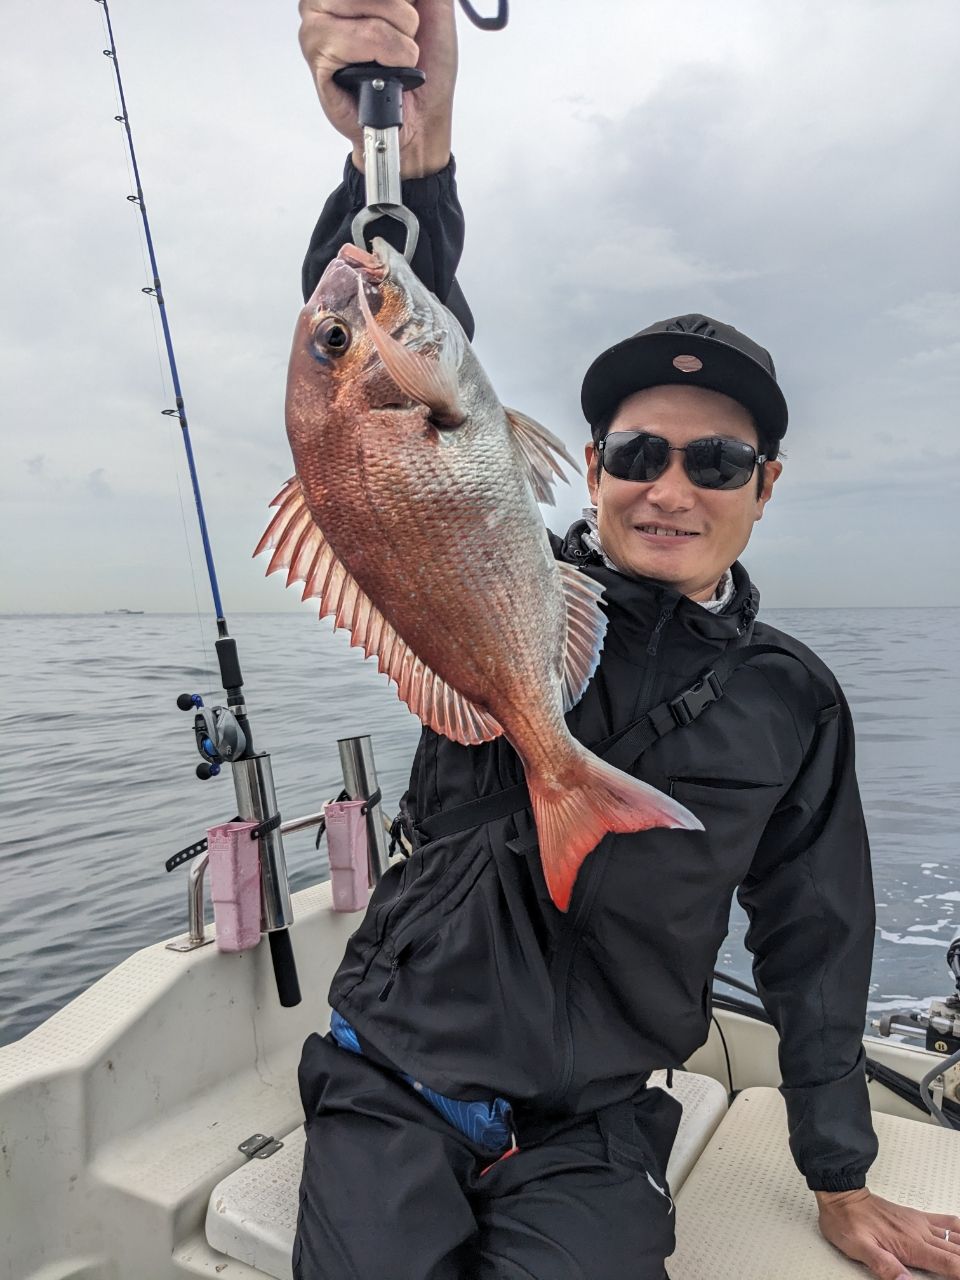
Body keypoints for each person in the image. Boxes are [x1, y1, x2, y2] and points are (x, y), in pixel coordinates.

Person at [292, 3, 960, 1277]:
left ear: (767, 485)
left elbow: (818, 937)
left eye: (716, 459)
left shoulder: (794, 702)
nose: (671, 486)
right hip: (389, 1073)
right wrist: (404, 159)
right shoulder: (503, 577)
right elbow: (376, 384)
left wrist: (840, 1170)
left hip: (596, 1121)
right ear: (586, 469)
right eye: (640, 453)